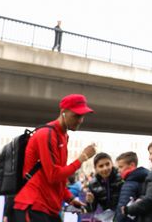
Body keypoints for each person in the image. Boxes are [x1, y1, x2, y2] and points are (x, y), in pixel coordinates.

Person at [13, 94, 97, 222]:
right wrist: (82, 158)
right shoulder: (47, 134)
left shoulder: (63, 136)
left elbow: (58, 178)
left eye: (82, 116)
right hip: (34, 205)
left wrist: (70, 198)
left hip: (47, 208)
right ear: (63, 112)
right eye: (76, 115)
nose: (80, 120)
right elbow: (53, 175)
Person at [85, 153, 123, 218]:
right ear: (95, 168)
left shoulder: (121, 178)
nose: (105, 168)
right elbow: (91, 209)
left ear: (112, 164)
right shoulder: (93, 184)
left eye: (107, 164)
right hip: (107, 218)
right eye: (101, 166)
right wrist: (90, 202)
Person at [115, 152, 149, 222]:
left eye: (121, 167)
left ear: (132, 165)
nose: (119, 170)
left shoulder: (130, 184)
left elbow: (123, 209)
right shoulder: (146, 179)